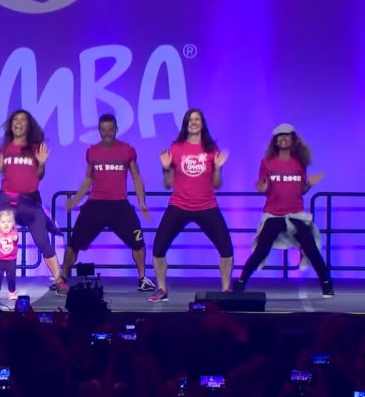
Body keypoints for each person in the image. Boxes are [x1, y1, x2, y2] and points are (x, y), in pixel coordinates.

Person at [0, 109, 67, 296]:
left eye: (23, 120)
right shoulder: (5, 148)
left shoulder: (36, 147)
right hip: (8, 200)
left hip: (30, 202)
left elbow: (39, 176)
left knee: (43, 241)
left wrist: (42, 163)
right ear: (11, 125)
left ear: (28, 126)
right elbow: (9, 175)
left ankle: (60, 281)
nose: (18, 123)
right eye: (15, 120)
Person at [233, 124, 333, 297]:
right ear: (275, 141)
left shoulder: (299, 162)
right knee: (261, 250)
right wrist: (261, 188)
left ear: (293, 139)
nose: (283, 139)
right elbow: (264, 187)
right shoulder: (267, 162)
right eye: (279, 136)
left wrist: (309, 184)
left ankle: (326, 284)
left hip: (296, 214)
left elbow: (300, 189)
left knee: (311, 248)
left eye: (286, 136)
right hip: (273, 214)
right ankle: (240, 283)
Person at [61, 114, 156, 292]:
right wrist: (75, 200)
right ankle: (62, 279)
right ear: (99, 131)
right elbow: (88, 179)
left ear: (116, 130)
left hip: (119, 205)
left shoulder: (127, 150)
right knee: (74, 243)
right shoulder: (92, 151)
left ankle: (142, 279)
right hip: (96, 204)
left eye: (110, 130)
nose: (107, 133)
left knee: (138, 243)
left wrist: (142, 203)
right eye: (103, 130)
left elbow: (136, 177)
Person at [149, 108, 233, 302]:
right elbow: (168, 184)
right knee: (158, 248)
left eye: (197, 120)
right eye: (190, 120)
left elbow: (217, 185)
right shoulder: (176, 148)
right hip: (179, 205)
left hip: (207, 206)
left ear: (202, 124)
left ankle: (227, 290)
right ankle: (162, 289)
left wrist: (219, 168)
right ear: (185, 124)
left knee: (226, 250)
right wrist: (165, 168)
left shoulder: (211, 150)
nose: (194, 123)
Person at [0, 210, 19, 301]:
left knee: (11, 276)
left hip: (11, 259)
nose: (6, 224)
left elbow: (15, 237)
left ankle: (12, 292)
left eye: (9, 222)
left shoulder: (14, 232)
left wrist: (14, 238)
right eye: (3, 222)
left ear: (13, 224)